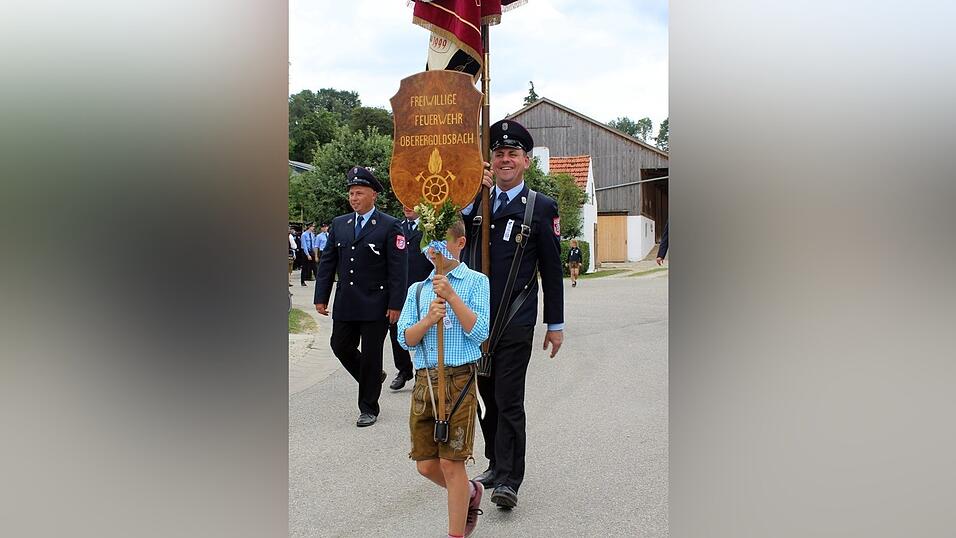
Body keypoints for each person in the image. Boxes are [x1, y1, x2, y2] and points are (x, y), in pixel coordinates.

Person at [460, 119, 565, 509]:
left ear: (526, 162)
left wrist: (555, 324)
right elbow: (450, 241)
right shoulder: (476, 203)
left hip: (516, 320)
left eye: (513, 154)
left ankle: (510, 479)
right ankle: (495, 462)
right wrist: (473, 199)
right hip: (475, 321)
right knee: (486, 397)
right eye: (499, 153)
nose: (505, 159)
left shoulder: (541, 208)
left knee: (509, 399)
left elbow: (553, 272)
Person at [397, 218, 490, 538]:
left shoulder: (476, 282)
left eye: (442, 241)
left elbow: (480, 332)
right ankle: (470, 491)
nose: (432, 249)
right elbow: (405, 338)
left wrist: (452, 297)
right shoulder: (418, 289)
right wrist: (427, 320)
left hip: (459, 379)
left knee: (452, 463)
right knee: (425, 464)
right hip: (425, 381)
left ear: (460, 243)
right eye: (429, 242)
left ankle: (455, 533)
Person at [313, 166, 408, 427]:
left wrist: (395, 304)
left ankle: (368, 407)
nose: (354, 198)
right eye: (351, 193)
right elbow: (328, 263)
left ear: (373, 195)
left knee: (371, 353)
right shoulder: (339, 224)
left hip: (376, 303)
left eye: (359, 193)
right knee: (339, 345)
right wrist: (321, 296)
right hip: (347, 300)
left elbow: (398, 269)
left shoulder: (390, 225)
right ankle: (372, 376)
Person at [388, 206, 434, 391]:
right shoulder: (396, 226)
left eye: (411, 203)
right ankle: (404, 369)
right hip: (400, 289)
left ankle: (422, 372)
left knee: (424, 331)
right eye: (403, 203)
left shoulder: (430, 227)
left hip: (424, 287)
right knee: (396, 329)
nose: (406, 207)